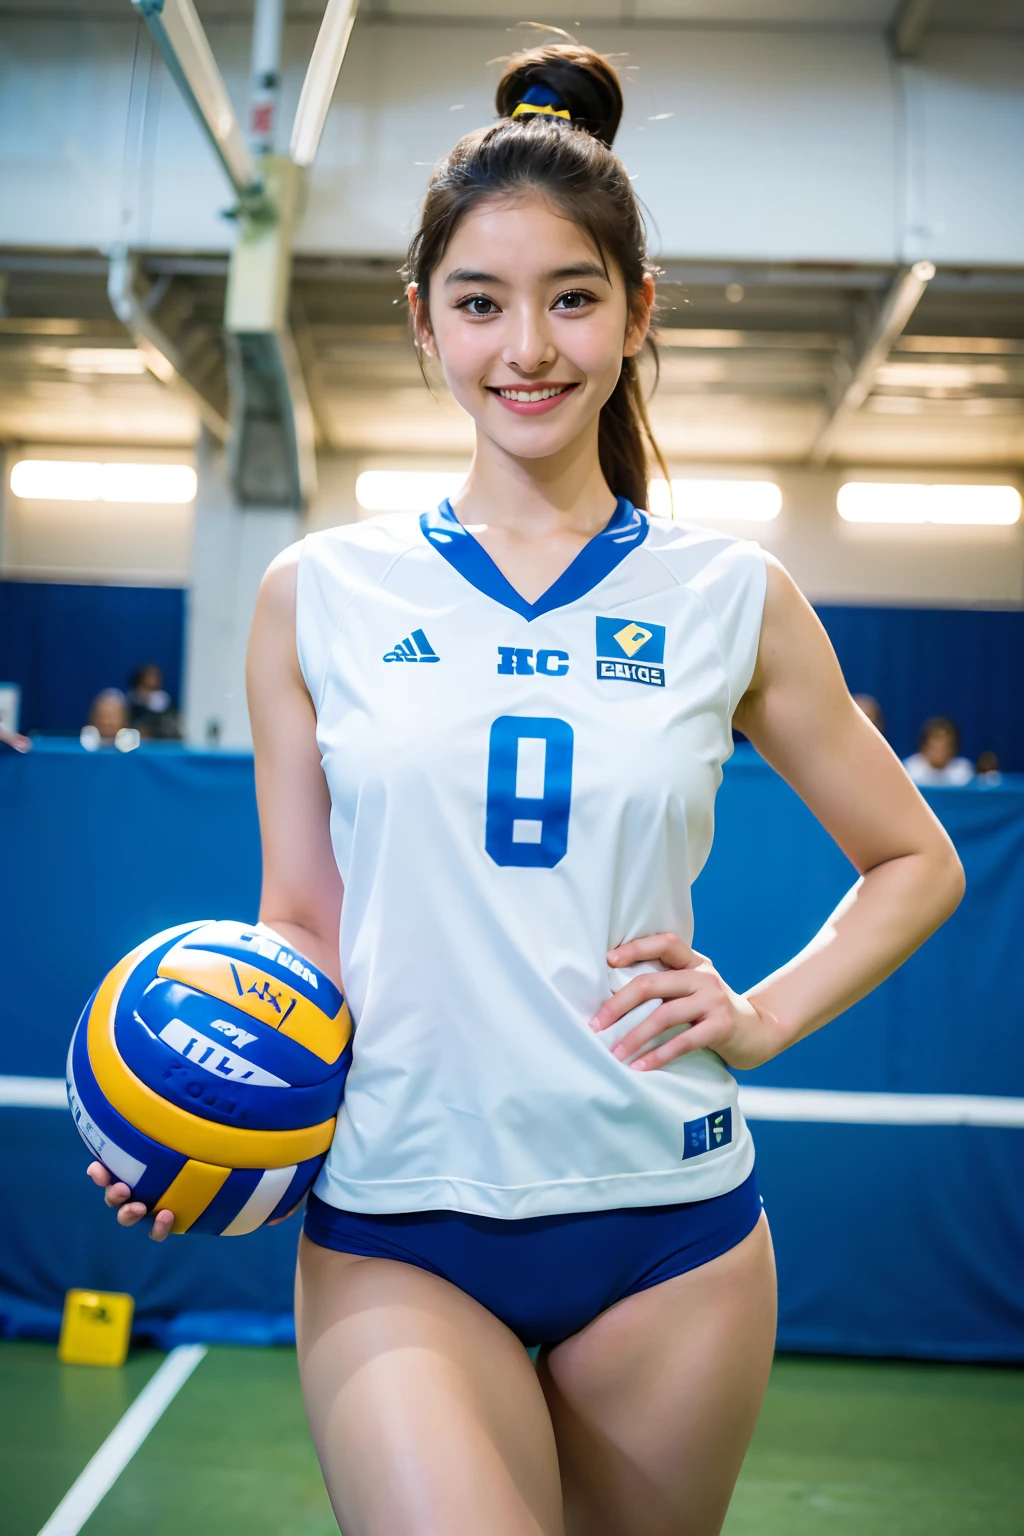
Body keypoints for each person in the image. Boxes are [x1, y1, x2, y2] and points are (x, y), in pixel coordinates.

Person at [91, 42, 964, 1535]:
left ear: (637, 313)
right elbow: (300, 921)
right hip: (397, 1227)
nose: (529, 346)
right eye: (481, 302)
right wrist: (195, 1103)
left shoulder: (731, 596)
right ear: (423, 321)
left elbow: (917, 862)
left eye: (572, 296)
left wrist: (759, 1014)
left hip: (672, 1235)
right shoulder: (314, 594)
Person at [903, 716, 975, 787]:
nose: (940, 753)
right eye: (934, 747)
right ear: (924, 746)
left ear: (954, 748)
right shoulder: (909, 771)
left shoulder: (964, 772)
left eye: (945, 747)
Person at [127, 663, 181, 739]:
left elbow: (176, 734)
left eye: (154, 687)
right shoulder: (130, 708)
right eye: (146, 686)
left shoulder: (169, 709)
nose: (152, 682)